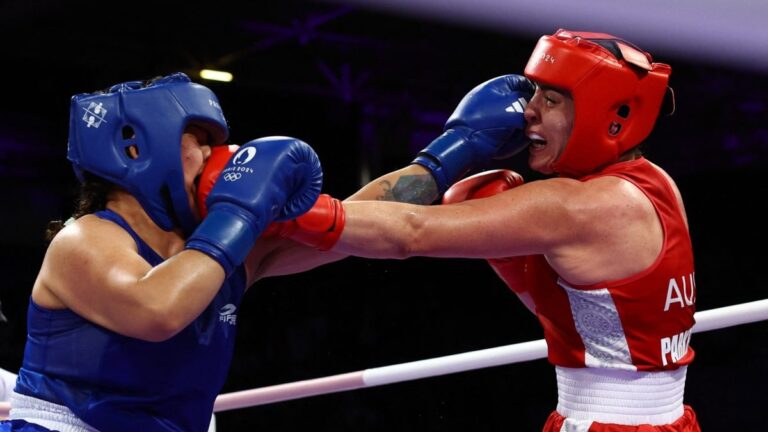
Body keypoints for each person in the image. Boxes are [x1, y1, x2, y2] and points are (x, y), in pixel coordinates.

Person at [245, 29, 699, 431]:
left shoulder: (575, 205)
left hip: (604, 423)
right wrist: (517, 268)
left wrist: (276, 210)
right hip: (668, 420)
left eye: (551, 99)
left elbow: (410, 232)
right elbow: (597, 322)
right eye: (535, 92)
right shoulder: (656, 183)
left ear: (610, 116)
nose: (528, 111)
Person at [0, 72, 323, 432]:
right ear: (134, 147)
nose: (209, 155)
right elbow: (157, 310)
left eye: (211, 144)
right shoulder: (84, 239)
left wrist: (321, 213)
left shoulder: (220, 247)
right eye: (196, 140)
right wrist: (238, 215)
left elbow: (395, 233)